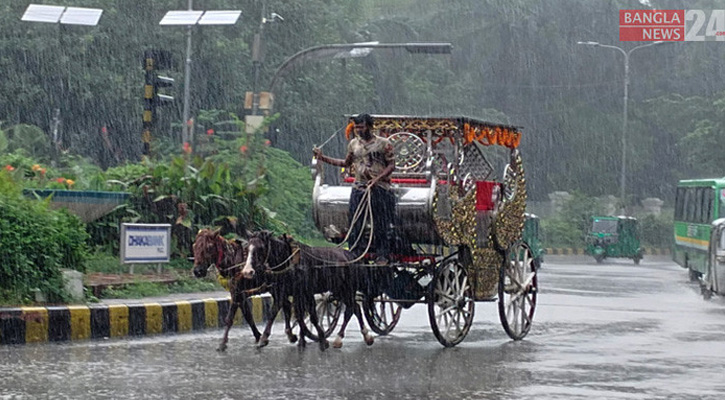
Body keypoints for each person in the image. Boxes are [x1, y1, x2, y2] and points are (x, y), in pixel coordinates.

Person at [313, 114, 396, 264]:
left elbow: (391, 165)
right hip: (359, 188)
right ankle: (355, 252)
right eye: (356, 127)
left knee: (380, 223)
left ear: (370, 127)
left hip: (380, 188)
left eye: (361, 127)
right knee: (355, 221)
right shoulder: (353, 144)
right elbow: (346, 163)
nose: (358, 130)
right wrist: (322, 158)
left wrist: (378, 179)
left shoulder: (384, 143)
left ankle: (382, 254)